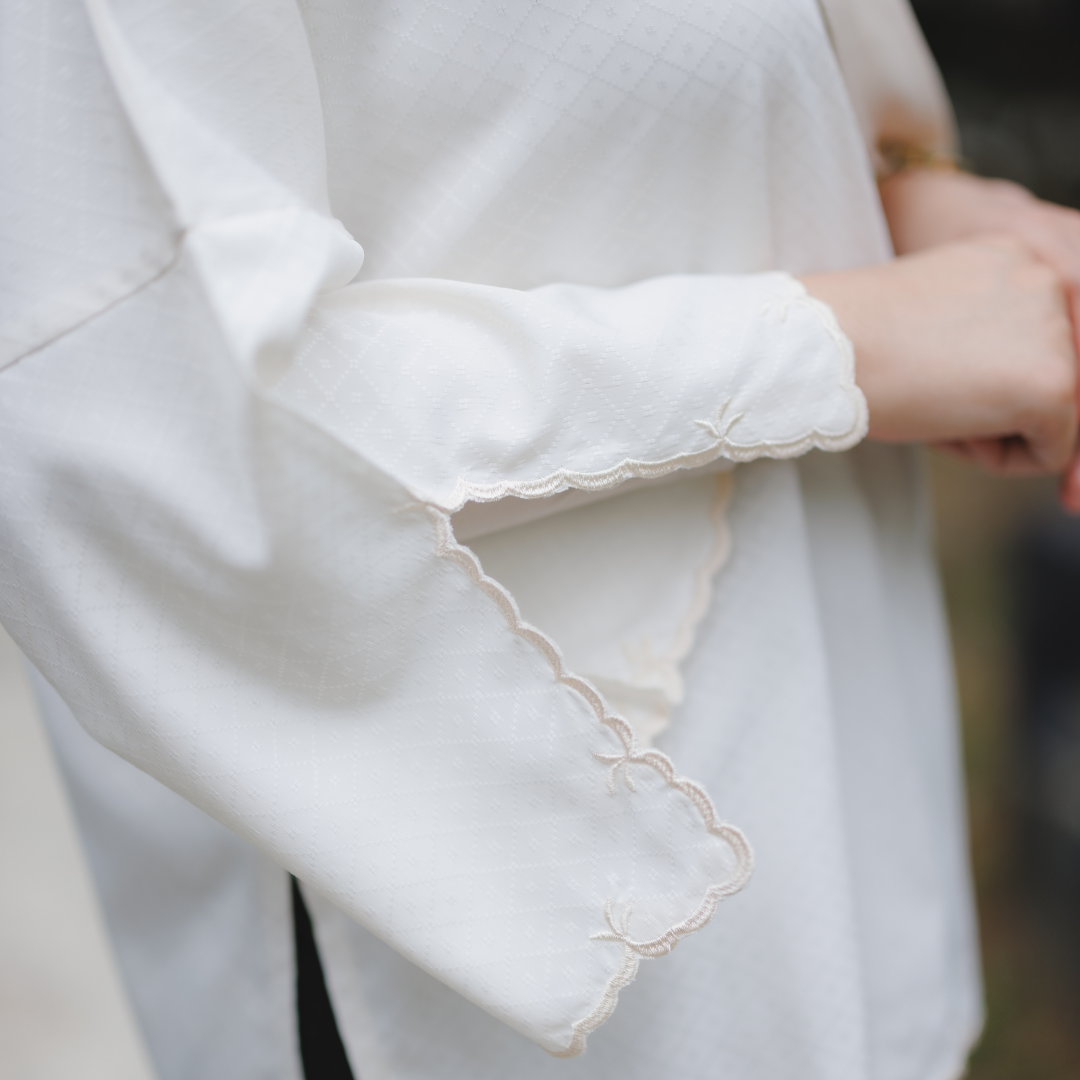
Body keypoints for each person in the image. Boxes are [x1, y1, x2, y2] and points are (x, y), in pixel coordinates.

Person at [4, 0, 1080, 1078]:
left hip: (825, 726)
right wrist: (836, 348)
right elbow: (172, 419)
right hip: (477, 841)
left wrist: (891, 190)